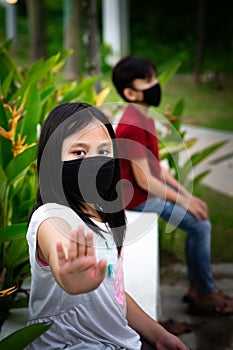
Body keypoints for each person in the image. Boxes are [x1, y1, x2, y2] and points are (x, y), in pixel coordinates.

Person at [26, 102, 189, 349]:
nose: (93, 162)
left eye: (103, 152)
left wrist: (159, 335)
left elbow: (114, 294)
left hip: (116, 340)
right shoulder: (51, 216)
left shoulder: (105, 216)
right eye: (79, 152)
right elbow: (58, 246)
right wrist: (66, 274)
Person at [112, 56, 233, 316]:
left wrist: (187, 196)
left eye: (154, 77)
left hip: (146, 191)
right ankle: (204, 292)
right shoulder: (132, 125)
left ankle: (197, 287)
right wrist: (183, 202)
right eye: (147, 81)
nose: (155, 84)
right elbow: (144, 180)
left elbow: (158, 170)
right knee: (200, 225)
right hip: (135, 199)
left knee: (199, 213)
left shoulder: (145, 117)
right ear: (130, 93)